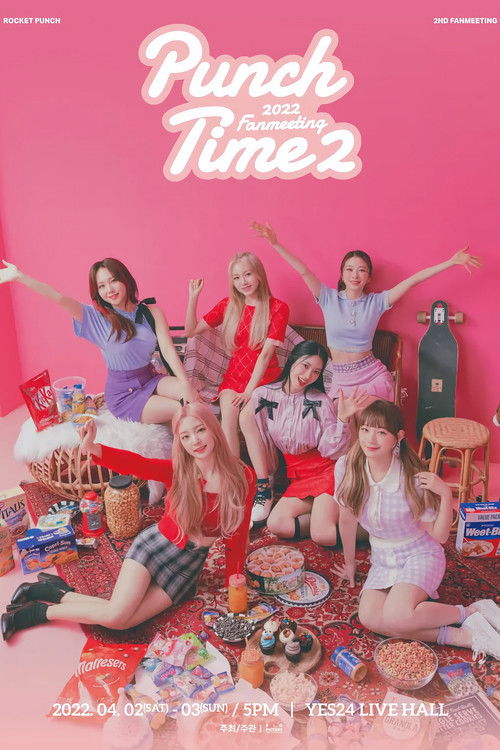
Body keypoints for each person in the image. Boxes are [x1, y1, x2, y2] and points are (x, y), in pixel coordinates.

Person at [1, 403, 255, 641]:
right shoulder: (180, 471)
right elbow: (139, 464)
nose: (195, 441)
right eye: (185, 436)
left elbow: (239, 533)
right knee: (116, 615)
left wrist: (235, 581)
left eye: (200, 430)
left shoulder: (243, 477)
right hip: (155, 546)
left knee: (124, 621)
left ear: (214, 428)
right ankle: (36, 613)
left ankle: (55, 592)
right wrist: (94, 447)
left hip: (188, 565)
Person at [333, 400, 500, 660]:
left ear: (398, 437)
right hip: (383, 560)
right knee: (370, 617)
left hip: (420, 553)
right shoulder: (347, 467)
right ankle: (464, 637)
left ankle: (470, 612)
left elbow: (440, 536)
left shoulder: (411, 479)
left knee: (397, 616)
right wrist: (350, 563)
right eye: (365, 429)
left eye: (381, 432)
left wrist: (445, 494)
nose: (370, 439)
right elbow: (346, 520)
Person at [251, 223, 481, 401]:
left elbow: (413, 280)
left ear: (369, 277)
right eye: (350, 269)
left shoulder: (377, 301)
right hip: (340, 377)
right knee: (342, 428)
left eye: (361, 270)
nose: (355, 275)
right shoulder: (328, 298)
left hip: (371, 376)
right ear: (342, 274)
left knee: (367, 422)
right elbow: (303, 271)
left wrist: (451, 262)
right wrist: (276, 243)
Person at [0, 257, 198, 423]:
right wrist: (20, 277)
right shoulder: (95, 318)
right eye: (101, 286)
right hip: (124, 395)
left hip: (150, 378)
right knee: (181, 410)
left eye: (113, 281)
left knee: (193, 399)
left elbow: (168, 350)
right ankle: (182, 458)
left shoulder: (151, 312)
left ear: (126, 280)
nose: (109, 289)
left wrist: (185, 382)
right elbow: (58, 297)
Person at [240, 340, 370, 527]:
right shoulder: (263, 395)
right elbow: (260, 435)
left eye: (316, 371)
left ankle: (345, 525)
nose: (308, 376)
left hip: (326, 470)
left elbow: (332, 451)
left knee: (322, 528)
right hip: (298, 476)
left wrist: (342, 420)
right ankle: (267, 491)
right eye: (305, 366)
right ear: (293, 359)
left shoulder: (321, 401)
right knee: (277, 524)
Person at [185, 251, 289, 456]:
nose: (243, 282)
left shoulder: (278, 307)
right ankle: (234, 471)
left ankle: (263, 473)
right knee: (228, 420)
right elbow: (191, 331)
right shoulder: (228, 305)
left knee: (246, 420)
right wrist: (193, 298)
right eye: (237, 277)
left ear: (259, 274)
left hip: (264, 379)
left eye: (248, 274)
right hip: (234, 378)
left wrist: (248, 392)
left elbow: (266, 355)